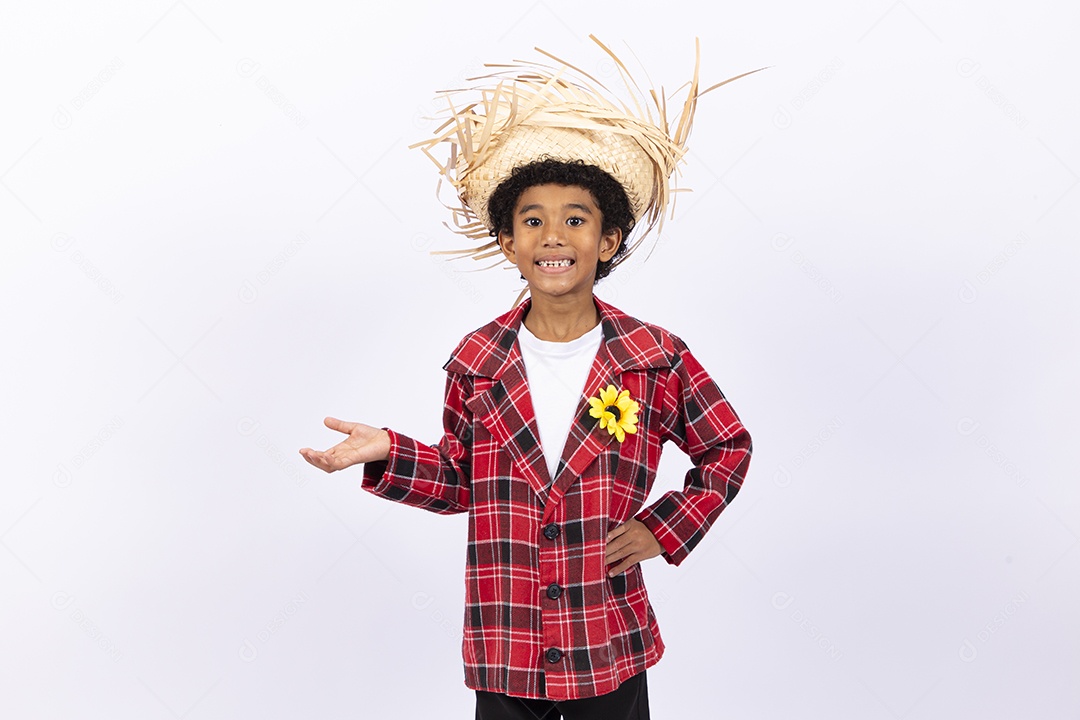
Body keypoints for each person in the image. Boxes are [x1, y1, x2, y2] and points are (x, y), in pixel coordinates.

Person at [299, 37, 760, 720]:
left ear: (607, 242)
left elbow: (728, 448)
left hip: (607, 640)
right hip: (506, 641)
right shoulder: (477, 361)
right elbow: (464, 481)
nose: (553, 236)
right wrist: (389, 452)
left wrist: (664, 529)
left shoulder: (653, 357)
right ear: (509, 242)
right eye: (533, 221)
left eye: (576, 220)